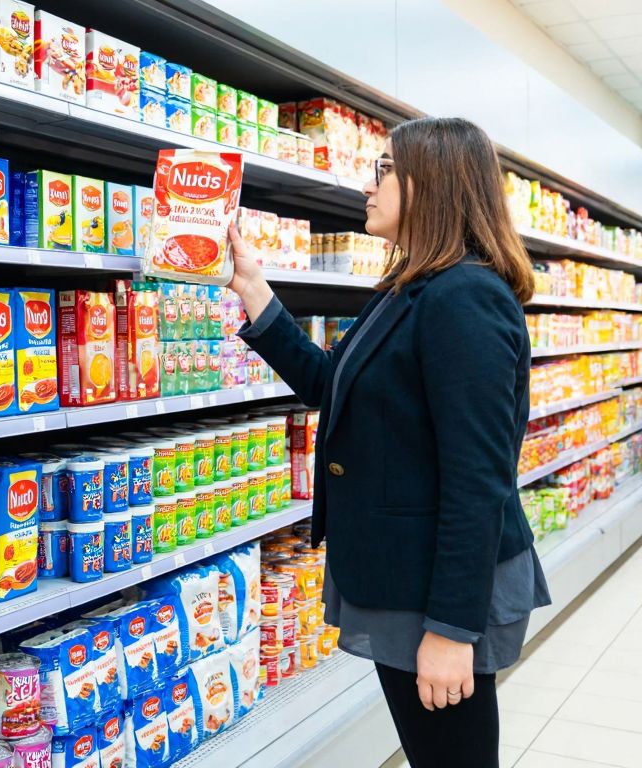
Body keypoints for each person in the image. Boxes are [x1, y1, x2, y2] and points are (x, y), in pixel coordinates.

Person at [230, 116, 550, 768]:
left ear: (430, 184)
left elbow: (478, 478)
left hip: (437, 588)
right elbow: (334, 385)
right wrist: (256, 293)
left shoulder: (464, 298)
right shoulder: (411, 287)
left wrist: (452, 631)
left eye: (383, 170)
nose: (367, 185)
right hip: (405, 573)